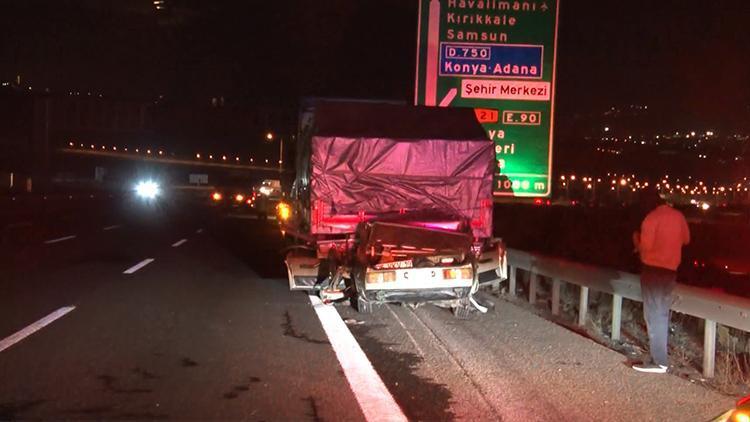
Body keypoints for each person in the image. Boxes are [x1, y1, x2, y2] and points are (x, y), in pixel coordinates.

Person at [631, 188, 690, 373]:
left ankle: (659, 362)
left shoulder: (650, 219)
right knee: (662, 314)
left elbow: (646, 248)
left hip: (653, 271)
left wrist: (637, 242)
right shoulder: (678, 216)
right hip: (670, 272)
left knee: (653, 315)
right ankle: (660, 358)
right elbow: (686, 239)